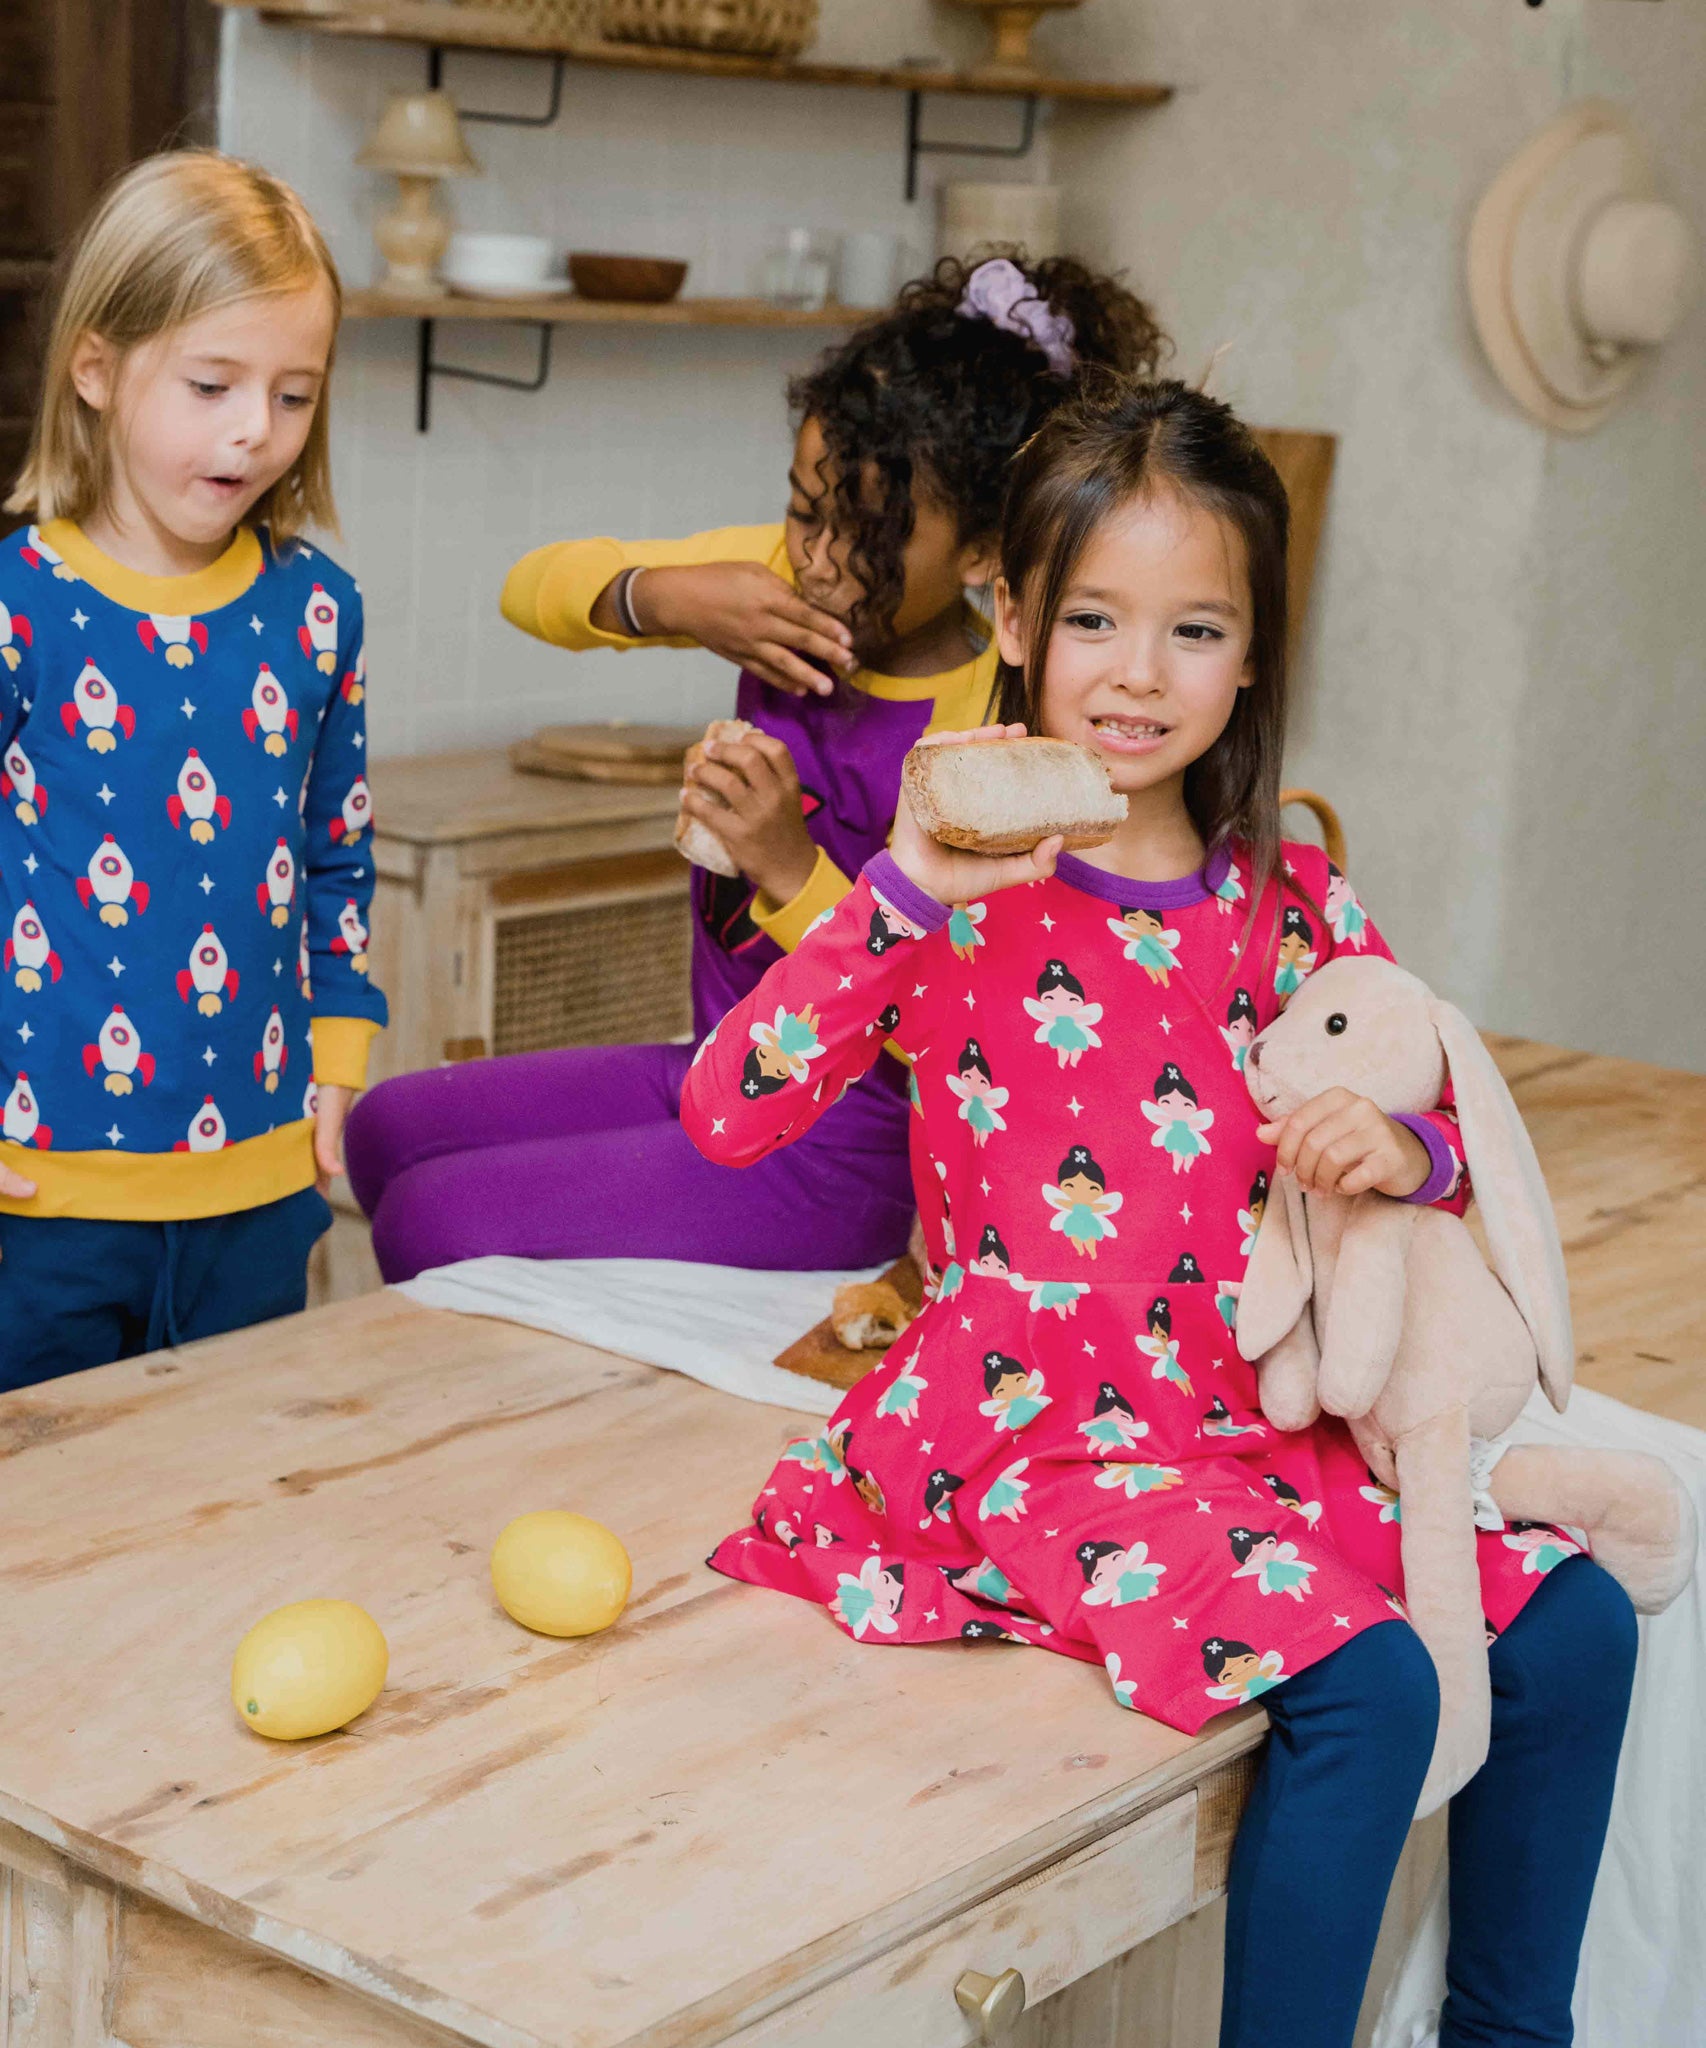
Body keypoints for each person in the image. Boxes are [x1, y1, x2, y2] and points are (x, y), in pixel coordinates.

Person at [679, 378, 1636, 2048]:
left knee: (1579, 1625)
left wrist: (1399, 1147)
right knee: (1377, 1681)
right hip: (1034, 1431)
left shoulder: (1290, 898)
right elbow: (728, 1107)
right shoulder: (959, 889)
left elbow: (1440, 1112)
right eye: (1097, 620)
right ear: (1020, 625)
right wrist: (899, 883)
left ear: (1252, 653)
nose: (1138, 671)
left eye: (1193, 627)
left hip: (1241, 1413)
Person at [344, 254, 1166, 1281]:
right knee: (382, 1132)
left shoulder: (995, 722)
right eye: (800, 510)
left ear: (979, 553)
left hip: (844, 1145)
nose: (816, 558)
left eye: (865, 534)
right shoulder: (780, 586)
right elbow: (528, 588)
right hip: (721, 1065)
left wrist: (785, 866)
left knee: (428, 1215)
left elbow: (964, 1034)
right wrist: (667, 596)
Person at [0, 151, 386, 1383]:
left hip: (263, 1187)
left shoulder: (319, 611)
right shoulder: (21, 607)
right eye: (212, 383)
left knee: (227, 1507)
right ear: (99, 369)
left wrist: (338, 1060)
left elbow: (338, 853)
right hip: (41, 1196)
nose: (250, 431)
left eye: (292, 395)